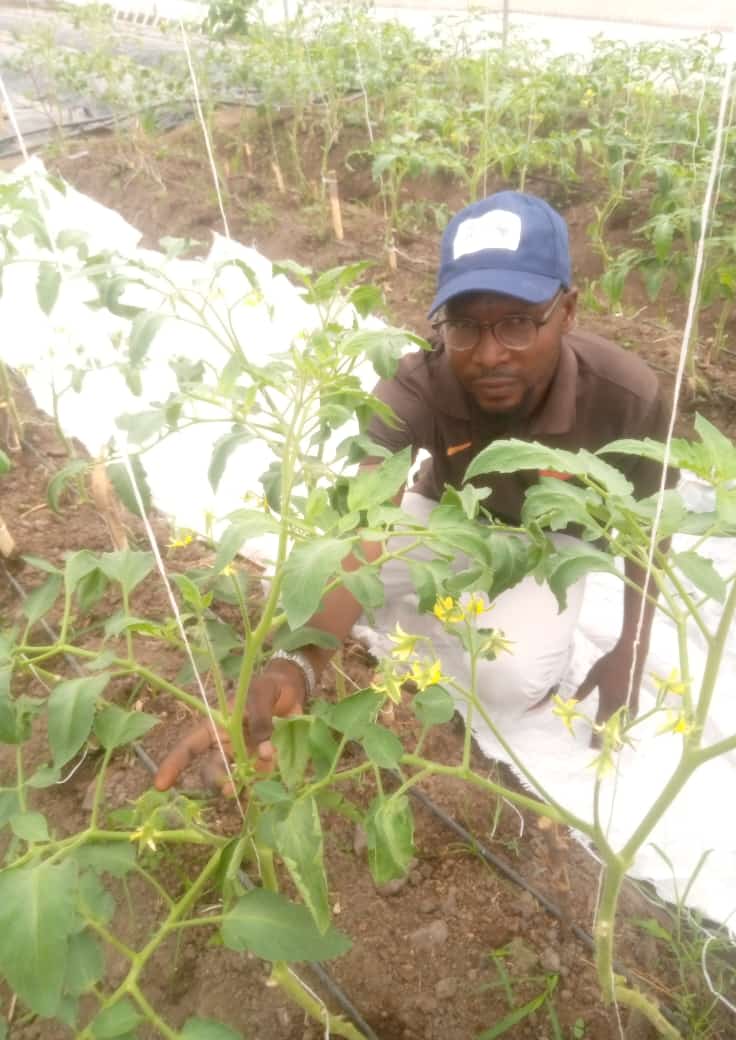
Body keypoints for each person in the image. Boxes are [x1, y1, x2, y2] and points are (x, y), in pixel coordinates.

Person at [154, 190, 674, 791]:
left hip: (546, 545)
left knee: (508, 681)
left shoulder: (626, 395)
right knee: (305, 583)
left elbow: (652, 525)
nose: (487, 355)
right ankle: (412, 615)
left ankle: (425, 617)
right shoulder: (416, 385)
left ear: (568, 311)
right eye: (462, 326)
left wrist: (631, 647)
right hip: (446, 516)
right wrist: (297, 663)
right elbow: (363, 529)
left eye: (517, 324)